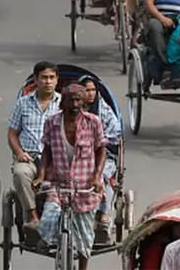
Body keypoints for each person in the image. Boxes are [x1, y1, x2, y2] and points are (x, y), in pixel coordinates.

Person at [35, 84, 107, 270]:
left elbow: (101, 151)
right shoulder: (52, 122)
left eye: (78, 100)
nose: (75, 104)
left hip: (84, 186)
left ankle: (83, 267)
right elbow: (47, 151)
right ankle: (52, 242)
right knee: (48, 219)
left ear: (83, 102)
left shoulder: (93, 122)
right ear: (63, 101)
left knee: (85, 235)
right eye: (71, 100)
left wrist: (97, 178)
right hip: (59, 184)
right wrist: (41, 175)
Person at [7, 61, 61, 233]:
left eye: (52, 77)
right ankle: (32, 216)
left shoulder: (64, 104)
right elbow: (12, 134)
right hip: (29, 156)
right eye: (44, 78)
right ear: (36, 80)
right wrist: (19, 153)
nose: (48, 82)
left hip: (56, 158)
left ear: (57, 80)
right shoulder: (23, 103)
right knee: (20, 174)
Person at [77, 75, 120, 244]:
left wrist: (98, 142)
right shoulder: (71, 108)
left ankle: (103, 215)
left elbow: (116, 132)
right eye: (86, 90)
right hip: (77, 155)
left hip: (103, 155)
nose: (90, 93)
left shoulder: (104, 110)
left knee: (102, 178)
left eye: (93, 90)